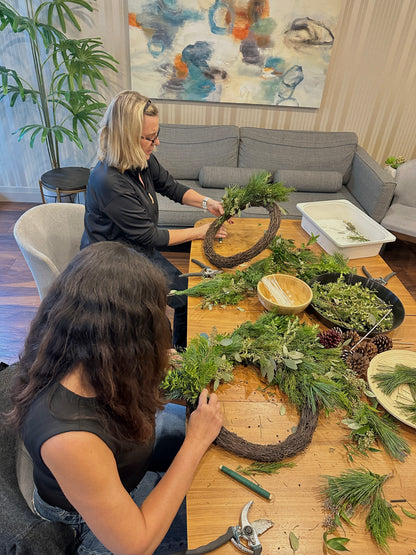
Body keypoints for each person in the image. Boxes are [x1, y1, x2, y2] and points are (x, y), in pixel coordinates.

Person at [7, 242, 223, 555]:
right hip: (94, 527)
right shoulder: (71, 436)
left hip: (111, 469)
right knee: (213, 510)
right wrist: (195, 442)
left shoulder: (69, 347)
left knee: (200, 445)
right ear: (126, 340)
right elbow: (136, 544)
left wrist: (157, 362)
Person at [81, 90, 228, 350]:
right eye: (150, 138)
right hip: (112, 260)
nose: (156, 143)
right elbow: (149, 236)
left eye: (157, 134)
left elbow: (170, 186)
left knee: (188, 291)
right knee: (172, 311)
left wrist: (208, 203)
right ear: (125, 138)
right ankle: (171, 356)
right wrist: (199, 232)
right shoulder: (107, 180)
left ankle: (179, 352)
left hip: (137, 246)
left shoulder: (141, 158)